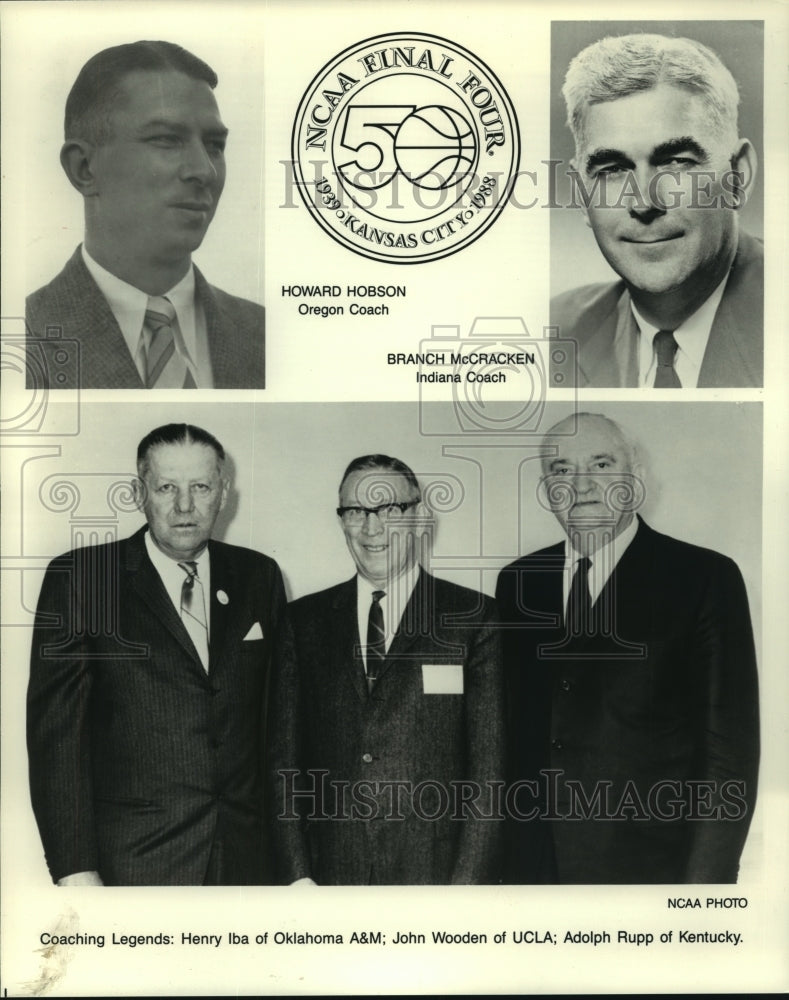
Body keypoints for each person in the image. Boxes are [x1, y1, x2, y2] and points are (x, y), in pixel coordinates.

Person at [495, 413, 760, 883]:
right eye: (560, 470)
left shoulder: (702, 578)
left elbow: (729, 755)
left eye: (601, 464)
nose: (581, 485)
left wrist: (703, 891)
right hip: (532, 873)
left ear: (634, 478)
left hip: (653, 872)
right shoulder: (518, 583)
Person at [27, 423, 286, 885]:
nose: (184, 506)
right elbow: (58, 744)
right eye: (167, 487)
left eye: (201, 487)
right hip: (135, 862)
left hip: (248, 862)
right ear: (137, 492)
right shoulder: (83, 580)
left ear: (223, 493)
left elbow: (277, 726)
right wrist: (75, 870)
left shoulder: (258, 577)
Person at [269, 454, 506, 885]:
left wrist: (467, 884)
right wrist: (298, 877)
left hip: (436, 877)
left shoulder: (473, 618)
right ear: (342, 520)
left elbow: (490, 769)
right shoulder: (303, 622)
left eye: (389, 510)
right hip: (330, 877)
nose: (372, 528)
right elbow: (284, 759)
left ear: (418, 517)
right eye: (356, 511)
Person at [26, 41, 264, 389]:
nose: (205, 170)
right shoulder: (23, 336)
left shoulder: (266, 335)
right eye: (167, 140)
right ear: (84, 168)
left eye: (215, 145)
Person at [550, 34, 762, 388]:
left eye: (676, 163)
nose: (644, 203)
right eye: (612, 169)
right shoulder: (553, 333)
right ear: (579, 193)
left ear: (738, 177)